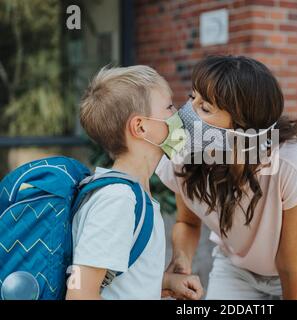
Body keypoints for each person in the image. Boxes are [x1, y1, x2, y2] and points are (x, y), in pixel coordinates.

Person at [157, 56, 297, 300]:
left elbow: (289, 261)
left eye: (205, 108)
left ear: (242, 126)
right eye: (193, 98)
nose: (187, 113)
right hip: (238, 270)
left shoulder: (290, 161)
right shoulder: (182, 154)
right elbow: (188, 223)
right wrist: (180, 263)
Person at [66, 65, 203, 300]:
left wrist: (168, 281)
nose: (178, 114)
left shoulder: (133, 195)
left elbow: (121, 285)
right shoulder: (118, 200)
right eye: (169, 107)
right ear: (140, 127)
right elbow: (81, 294)